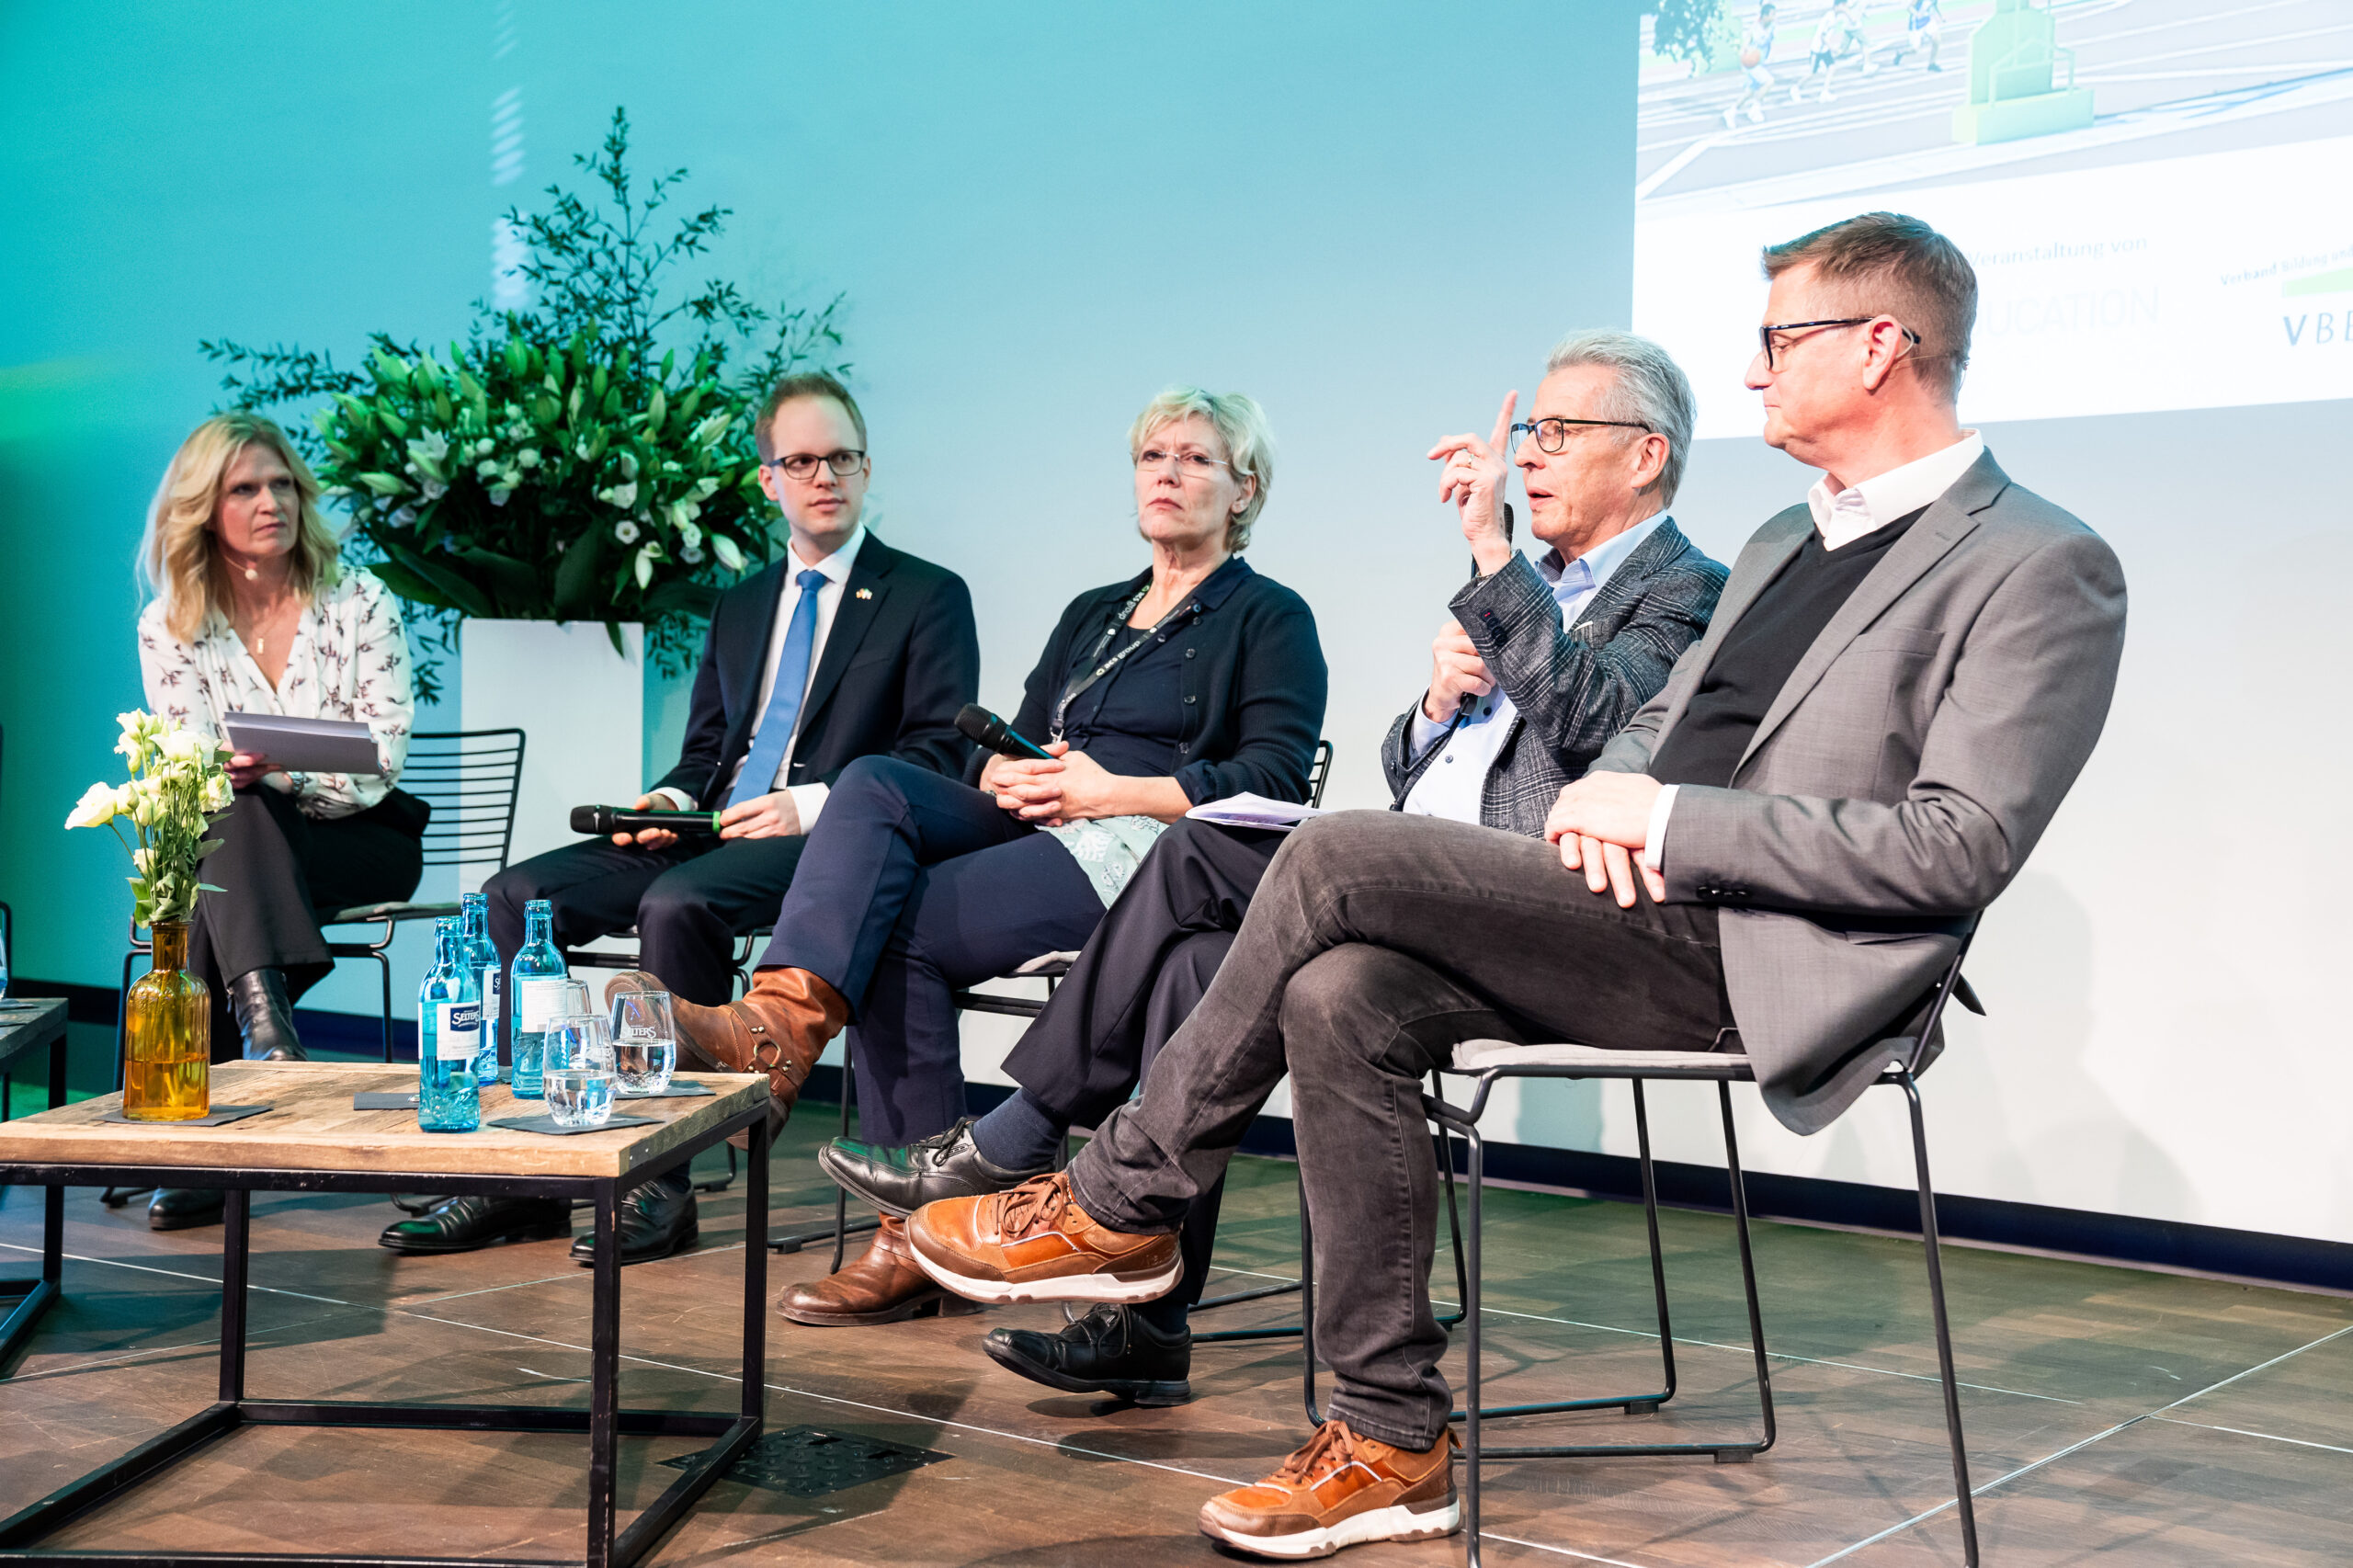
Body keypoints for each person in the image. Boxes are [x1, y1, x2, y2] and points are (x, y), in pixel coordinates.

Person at [904, 212, 2129, 1559]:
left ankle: (1119, 1198)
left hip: (1768, 952)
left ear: (1882, 345)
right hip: (1627, 905)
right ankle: (1389, 1433)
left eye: (1782, 340)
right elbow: (1661, 724)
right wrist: (1618, 795)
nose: (1756, 370)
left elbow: (1956, 845)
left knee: (1333, 848)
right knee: (1340, 989)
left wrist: (1672, 817)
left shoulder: (2039, 561)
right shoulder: (1788, 538)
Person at [819, 332, 1729, 1406]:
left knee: (1200, 845)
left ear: (1645, 455)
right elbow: (1414, 769)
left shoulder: (1685, 589)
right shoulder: (1535, 589)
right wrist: (1435, 707)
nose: (1528, 453)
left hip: (1528, 906)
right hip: (1423, 888)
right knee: (1191, 963)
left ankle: (1016, 1138)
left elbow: (1593, 722)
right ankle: (1145, 1323)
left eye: (1559, 431)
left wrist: (1492, 555)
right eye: (1531, 429)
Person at [609, 386, 1326, 1324]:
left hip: (1149, 849)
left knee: (892, 928)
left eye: (1194, 459)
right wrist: (1005, 771)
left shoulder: (1270, 616)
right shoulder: (1095, 611)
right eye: (1153, 457)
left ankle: (913, 1237)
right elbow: (1006, 743)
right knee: (875, 781)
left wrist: (1106, 789)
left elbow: (1274, 779)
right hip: (1045, 821)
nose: (1167, 475)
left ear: (1244, 489)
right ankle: (780, 1025)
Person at [381, 371, 980, 1261]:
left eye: (843, 457)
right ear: (768, 479)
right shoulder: (742, 604)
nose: (825, 476)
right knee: (515, 896)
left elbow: (938, 755)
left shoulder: (925, 594)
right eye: (802, 461)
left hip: (830, 839)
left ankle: (661, 1184)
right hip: (715, 828)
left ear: (866, 468)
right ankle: (522, 1178)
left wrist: (808, 805)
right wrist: (667, 800)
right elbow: (707, 749)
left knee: (678, 903)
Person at [137, 413, 422, 1231]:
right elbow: (189, 763)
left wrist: (286, 775)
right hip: (244, 837)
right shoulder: (172, 623)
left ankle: (210, 1123)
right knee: (231, 809)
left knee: (225, 850)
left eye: (282, 484)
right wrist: (245, 779)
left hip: (363, 839)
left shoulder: (360, 598)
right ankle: (268, 1042)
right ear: (204, 510)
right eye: (245, 489)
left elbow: (382, 755)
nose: (272, 502)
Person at [1725, 2, 1779, 128]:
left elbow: (1769, 43)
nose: (1774, 17)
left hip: (1760, 63)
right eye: (1772, 15)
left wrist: (1770, 55)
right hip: (1752, 64)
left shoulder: (1772, 27)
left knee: (1749, 92)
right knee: (1769, 82)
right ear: (1765, 16)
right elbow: (1745, 45)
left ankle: (1731, 112)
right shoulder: (1755, 29)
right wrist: (1745, 56)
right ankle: (1755, 108)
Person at [1889, 0, 1944, 71]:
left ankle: (1932, 64)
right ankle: (1900, 53)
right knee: (1914, 49)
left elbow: (1934, 6)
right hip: (1917, 24)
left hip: (1928, 21)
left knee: (1937, 39)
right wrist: (1917, 14)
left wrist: (1940, 17)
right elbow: (1909, 7)